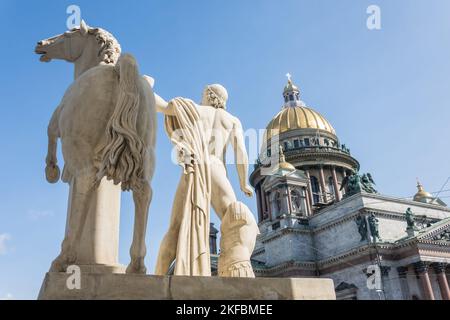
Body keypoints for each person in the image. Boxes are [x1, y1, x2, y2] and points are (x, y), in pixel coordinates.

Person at [153, 83, 256, 276]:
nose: (200, 97)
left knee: (175, 227)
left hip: (192, 167)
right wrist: (243, 182)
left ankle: (155, 279)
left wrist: (142, 87)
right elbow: (241, 153)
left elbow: (163, 106)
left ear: (209, 95)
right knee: (234, 218)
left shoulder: (193, 109)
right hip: (214, 167)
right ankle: (237, 267)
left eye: (202, 94)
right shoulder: (232, 120)